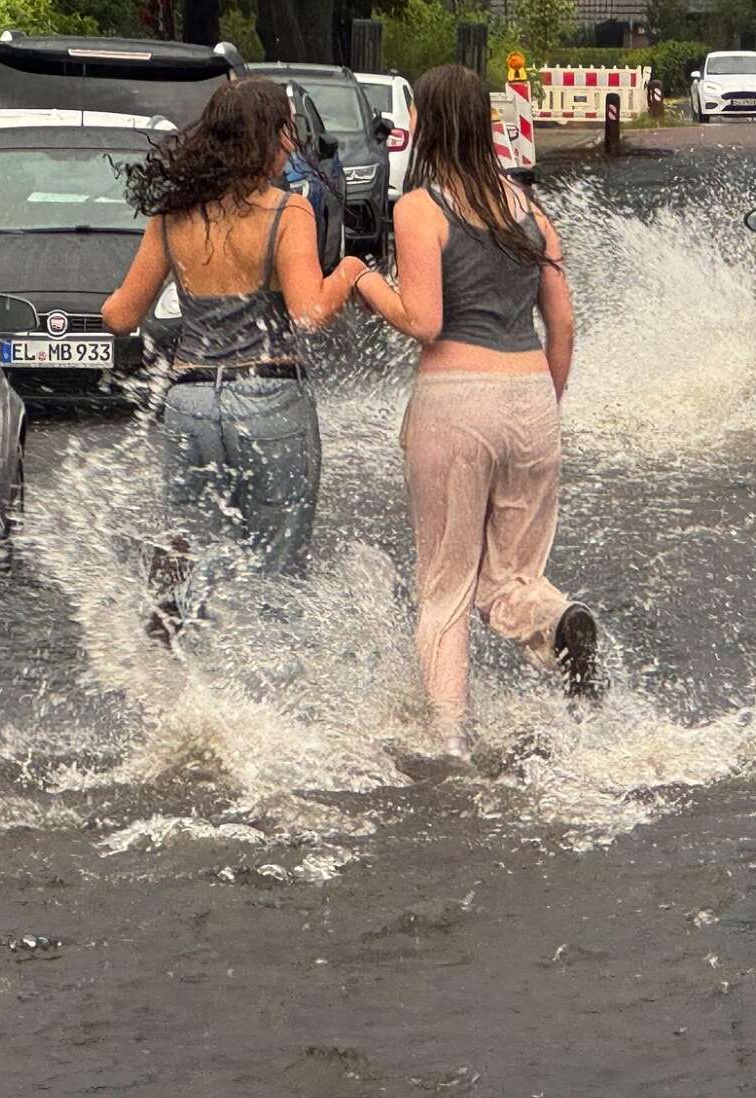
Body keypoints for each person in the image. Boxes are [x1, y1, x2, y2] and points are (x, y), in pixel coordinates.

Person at [354, 63, 600, 760]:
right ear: (487, 125)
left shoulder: (420, 209)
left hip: (456, 400)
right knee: (514, 576)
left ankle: (449, 742)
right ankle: (558, 622)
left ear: (426, 125)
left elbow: (425, 320)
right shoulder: (529, 210)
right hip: (530, 398)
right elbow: (565, 325)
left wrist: (365, 282)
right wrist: (542, 401)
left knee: (447, 587)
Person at [103, 79, 365, 632]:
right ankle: (259, 691)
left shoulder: (174, 216)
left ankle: (179, 644)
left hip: (190, 402)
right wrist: (350, 272)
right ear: (263, 139)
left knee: (194, 542)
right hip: (268, 398)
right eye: (286, 132)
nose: (292, 145)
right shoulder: (287, 212)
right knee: (275, 566)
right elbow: (309, 314)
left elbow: (121, 317)